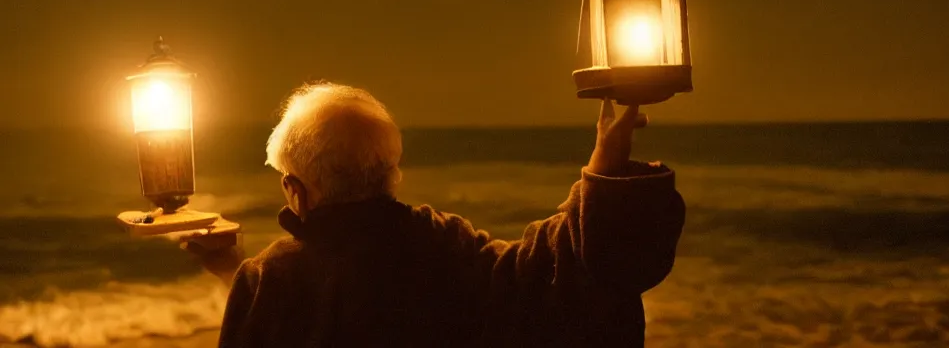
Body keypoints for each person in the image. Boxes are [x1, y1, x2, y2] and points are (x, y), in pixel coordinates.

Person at [187, 82, 685, 347]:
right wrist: (604, 170)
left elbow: (305, 308)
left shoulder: (270, 280)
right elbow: (561, 271)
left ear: (293, 190)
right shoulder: (447, 250)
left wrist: (237, 272)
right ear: (392, 174)